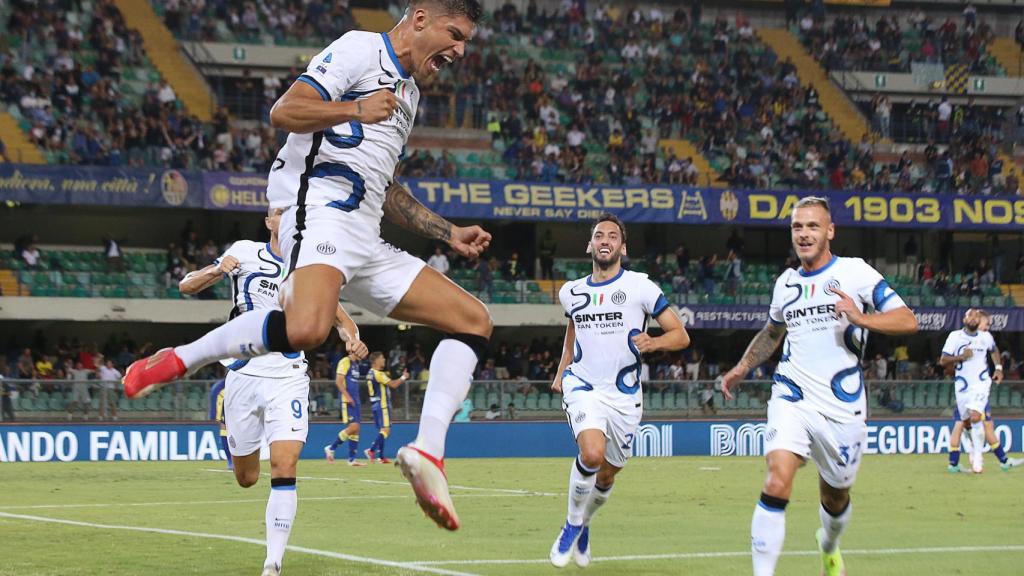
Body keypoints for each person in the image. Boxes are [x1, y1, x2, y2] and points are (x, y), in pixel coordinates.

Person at [123, 0, 488, 533]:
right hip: (317, 211)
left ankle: (428, 453)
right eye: (454, 34)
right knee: (309, 329)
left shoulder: (407, 96)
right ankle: (181, 357)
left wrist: (447, 231)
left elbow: (385, 188)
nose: (459, 50)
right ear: (419, 18)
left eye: (466, 43)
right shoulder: (360, 49)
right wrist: (355, 110)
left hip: (366, 235)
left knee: (473, 320)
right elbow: (285, 111)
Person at [720, 196, 918, 576]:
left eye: (812, 226)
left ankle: (829, 545)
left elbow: (908, 320)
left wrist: (861, 317)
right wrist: (743, 366)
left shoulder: (855, 272)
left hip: (843, 407)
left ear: (830, 231)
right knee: (777, 479)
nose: (804, 234)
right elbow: (773, 331)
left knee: (835, 495)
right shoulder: (786, 283)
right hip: (792, 396)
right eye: (797, 227)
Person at [178, 207, 366, 576]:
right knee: (246, 477)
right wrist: (217, 269)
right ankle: (242, 456)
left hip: (288, 375)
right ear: (268, 222)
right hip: (244, 376)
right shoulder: (245, 252)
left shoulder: (309, 266)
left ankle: (272, 563)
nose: (286, 216)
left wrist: (353, 338)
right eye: (279, 211)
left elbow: (339, 316)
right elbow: (186, 284)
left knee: (284, 464)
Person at [549, 213, 690, 568]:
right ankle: (570, 524)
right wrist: (562, 369)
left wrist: (654, 342)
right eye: (599, 235)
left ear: (622, 247)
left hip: (625, 397)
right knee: (592, 455)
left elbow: (681, 335)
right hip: (583, 386)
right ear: (590, 245)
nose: (605, 240)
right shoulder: (572, 292)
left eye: (612, 236)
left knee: (608, 473)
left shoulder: (642, 287)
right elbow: (573, 330)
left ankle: (585, 524)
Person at [942, 309, 1022, 473]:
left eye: (977, 317)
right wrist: (961, 357)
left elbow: (994, 350)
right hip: (962, 386)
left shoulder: (985, 337)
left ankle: (977, 458)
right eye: (970, 316)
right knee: (965, 422)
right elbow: (943, 360)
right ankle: (971, 454)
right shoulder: (955, 337)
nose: (974, 319)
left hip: (981, 383)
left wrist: (999, 368)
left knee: (976, 417)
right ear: (964, 319)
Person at [326, 352, 372, 466]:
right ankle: (331, 448)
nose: (363, 353)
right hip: (347, 400)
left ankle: (352, 459)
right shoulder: (345, 361)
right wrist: (347, 396)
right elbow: (338, 381)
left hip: (355, 400)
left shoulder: (356, 364)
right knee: (353, 426)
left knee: (356, 429)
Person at [365, 351, 409, 464]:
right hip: (382, 405)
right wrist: (403, 377)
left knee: (382, 430)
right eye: (382, 358)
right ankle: (371, 450)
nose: (384, 360)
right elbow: (394, 385)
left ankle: (381, 456)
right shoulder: (378, 374)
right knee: (386, 429)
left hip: (375, 405)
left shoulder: (370, 373)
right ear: (376, 361)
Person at [209, 378, 230, 470]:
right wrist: (219, 418)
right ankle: (230, 461)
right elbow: (219, 402)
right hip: (226, 417)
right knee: (224, 429)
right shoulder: (221, 388)